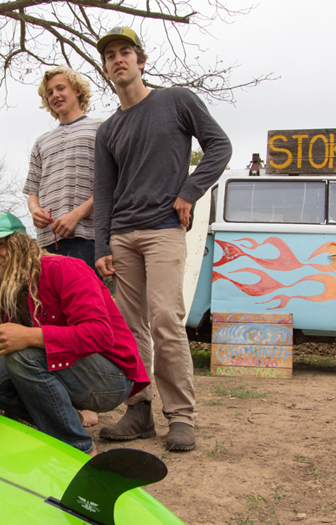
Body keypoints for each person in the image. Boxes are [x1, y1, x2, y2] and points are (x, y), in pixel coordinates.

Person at [92, 26, 233, 452]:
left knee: (166, 321)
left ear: (141, 60)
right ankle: (139, 412)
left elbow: (219, 147)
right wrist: (101, 246)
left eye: (125, 52)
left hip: (163, 230)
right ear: (106, 68)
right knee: (130, 328)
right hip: (123, 236)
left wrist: (189, 192)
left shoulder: (176, 101)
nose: (118, 59)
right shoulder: (108, 130)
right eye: (111, 55)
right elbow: (103, 192)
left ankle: (181, 417)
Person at [0, 213, 149, 455]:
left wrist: (31, 337)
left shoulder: (65, 269)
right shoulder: (3, 294)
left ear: (19, 243)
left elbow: (100, 334)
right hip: (66, 375)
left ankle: (79, 451)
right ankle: (65, 423)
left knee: (22, 354)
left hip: (111, 379)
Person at [24, 66, 102, 271]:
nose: (55, 95)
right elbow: (32, 192)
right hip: (45, 243)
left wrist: (76, 215)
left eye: (60, 88)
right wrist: (35, 211)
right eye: (49, 93)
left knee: (83, 302)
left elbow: (113, 184)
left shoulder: (101, 128)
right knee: (47, 302)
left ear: (77, 90)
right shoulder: (41, 142)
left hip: (86, 237)